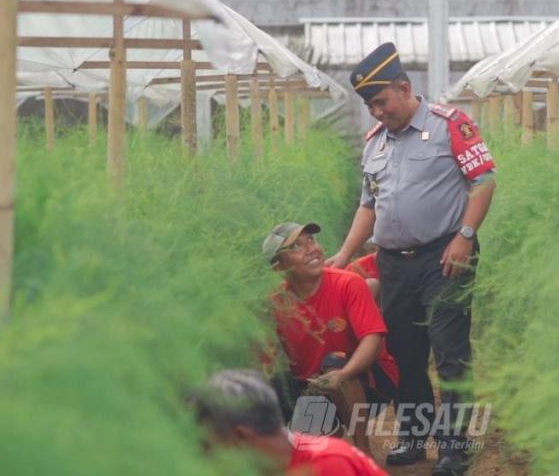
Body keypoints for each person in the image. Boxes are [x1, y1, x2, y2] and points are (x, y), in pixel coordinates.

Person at [326, 42, 497, 476]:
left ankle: (456, 448)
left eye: (381, 102)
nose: (377, 113)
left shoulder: (450, 124)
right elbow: (369, 204)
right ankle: (414, 438)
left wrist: (465, 236)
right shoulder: (374, 143)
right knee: (404, 352)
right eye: (370, 106)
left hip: (445, 258)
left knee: (450, 354)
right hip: (393, 264)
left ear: (404, 88)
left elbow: (483, 182)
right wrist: (346, 254)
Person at [263, 222, 399, 458]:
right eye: (297, 246)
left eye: (311, 241)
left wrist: (343, 375)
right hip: (314, 388)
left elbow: (372, 339)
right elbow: (266, 360)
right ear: (279, 266)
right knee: (271, 388)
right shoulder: (276, 302)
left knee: (335, 361)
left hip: (370, 381)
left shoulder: (347, 283)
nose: (312, 249)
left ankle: (363, 452)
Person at [189, 369, 388, 476]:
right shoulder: (272, 465)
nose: (205, 457)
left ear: (241, 437)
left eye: (208, 446)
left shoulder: (326, 465)